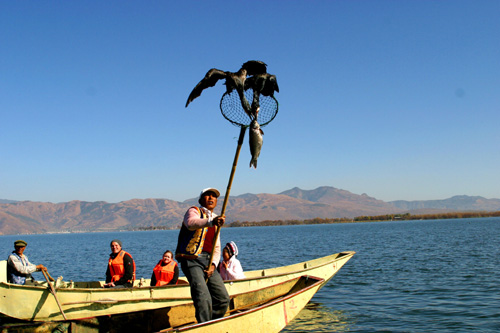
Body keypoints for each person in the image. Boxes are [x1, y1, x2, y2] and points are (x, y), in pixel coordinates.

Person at [175, 187, 230, 323]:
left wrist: (213, 265)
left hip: (208, 261)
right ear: (201, 199)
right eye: (207, 195)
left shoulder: (217, 220)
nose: (211, 198)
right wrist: (211, 222)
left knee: (223, 299)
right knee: (202, 296)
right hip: (191, 259)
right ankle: (204, 324)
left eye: (214, 196)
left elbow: (216, 247)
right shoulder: (193, 211)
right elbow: (191, 223)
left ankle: (211, 322)